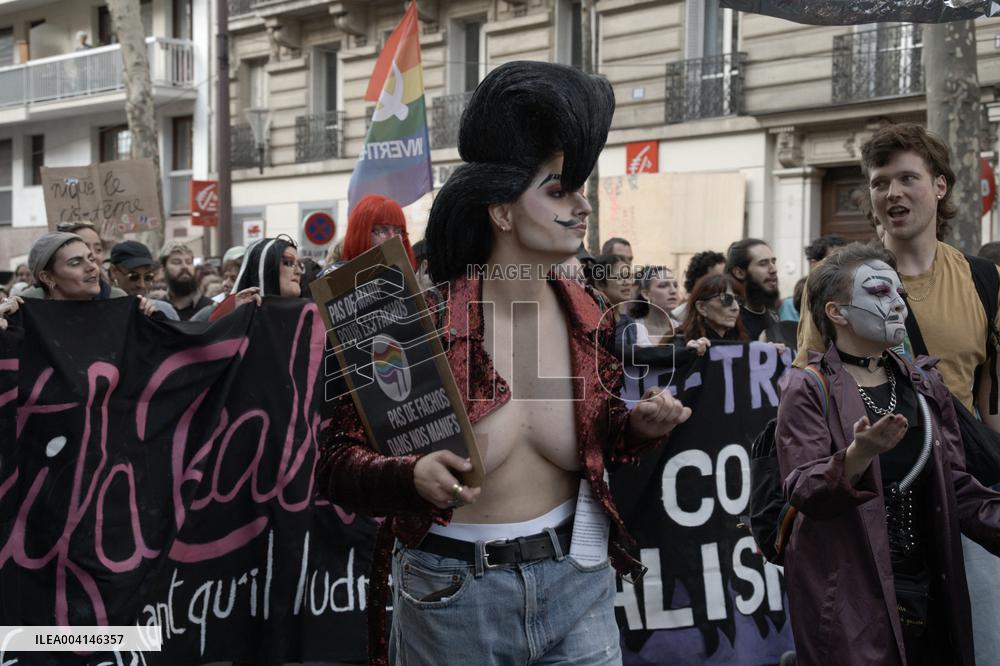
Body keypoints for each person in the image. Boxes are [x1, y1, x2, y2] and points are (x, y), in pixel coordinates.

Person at [316, 60, 690, 665]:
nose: (582, 206)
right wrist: (407, 478)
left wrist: (636, 428)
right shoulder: (410, 321)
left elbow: (596, 442)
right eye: (559, 189)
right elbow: (334, 463)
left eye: (581, 189)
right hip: (453, 597)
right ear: (502, 211)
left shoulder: (589, 316)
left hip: (581, 581)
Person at [795, 122, 1000, 665]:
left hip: (962, 500)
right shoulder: (835, 283)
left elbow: (991, 408)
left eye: (907, 178)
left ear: (939, 186)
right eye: (880, 181)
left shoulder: (984, 281)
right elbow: (805, 398)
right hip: (865, 515)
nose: (892, 193)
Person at [23, 232, 156, 316]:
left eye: (91, 259)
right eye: (75, 263)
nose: (91, 267)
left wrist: (144, 318)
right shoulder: (25, 315)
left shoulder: (118, 304)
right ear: (47, 277)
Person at [205, 236, 303, 322]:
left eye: (300, 265)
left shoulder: (309, 311)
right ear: (265, 268)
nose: (299, 271)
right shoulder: (233, 311)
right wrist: (233, 313)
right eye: (289, 262)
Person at [108, 240, 179, 320]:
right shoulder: (103, 312)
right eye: (133, 276)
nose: (142, 285)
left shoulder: (165, 311)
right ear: (114, 271)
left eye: (148, 277)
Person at [342, 194, 417, 268]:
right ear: (361, 234)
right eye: (382, 230)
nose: (392, 237)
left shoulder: (404, 274)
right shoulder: (337, 277)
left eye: (398, 231)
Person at [53, 222, 124, 300]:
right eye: (83, 248)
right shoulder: (40, 300)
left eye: (98, 249)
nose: (93, 256)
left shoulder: (117, 298)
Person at [682, 273, 748, 356]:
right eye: (726, 299)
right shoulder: (681, 342)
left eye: (739, 300)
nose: (736, 307)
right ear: (702, 307)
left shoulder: (742, 342)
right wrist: (686, 354)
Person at [727, 238, 780, 340]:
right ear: (739, 273)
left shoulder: (773, 316)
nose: (773, 269)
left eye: (773, 262)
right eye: (763, 263)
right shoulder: (729, 318)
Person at [158, 241, 213, 321]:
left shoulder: (211, 309)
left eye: (189, 262)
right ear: (163, 270)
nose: (185, 267)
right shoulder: (158, 310)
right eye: (177, 262)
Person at [629, 265, 682, 346]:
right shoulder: (632, 329)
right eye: (663, 285)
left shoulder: (683, 330)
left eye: (675, 285)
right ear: (646, 294)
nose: (673, 291)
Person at [674, 250, 726, 322]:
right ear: (698, 281)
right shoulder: (678, 318)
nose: (725, 284)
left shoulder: (731, 312)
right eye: (717, 279)